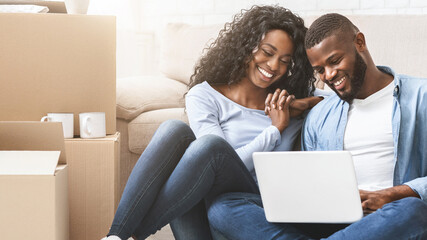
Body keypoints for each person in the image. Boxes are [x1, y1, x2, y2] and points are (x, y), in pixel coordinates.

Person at [102, 5, 323, 240]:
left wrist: (304, 104)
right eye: (267, 52)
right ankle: (115, 237)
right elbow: (219, 161)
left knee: (210, 149)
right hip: (201, 209)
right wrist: (274, 130)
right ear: (247, 46)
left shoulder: (286, 99)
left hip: (250, 207)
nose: (273, 66)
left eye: (284, 61)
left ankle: (128, 236)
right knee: (175, 130)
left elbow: (339, 96)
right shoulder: (205, 95)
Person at [207, 13, 427, 240]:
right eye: (320, 70)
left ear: (359, 42)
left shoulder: (421, 96)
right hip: (330, 220)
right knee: (224, 206)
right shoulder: (320, 115)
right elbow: (311, 182)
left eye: (334, 61)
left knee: (413, 211)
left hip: (388, 215)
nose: (329, 75)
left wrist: (393, 194)